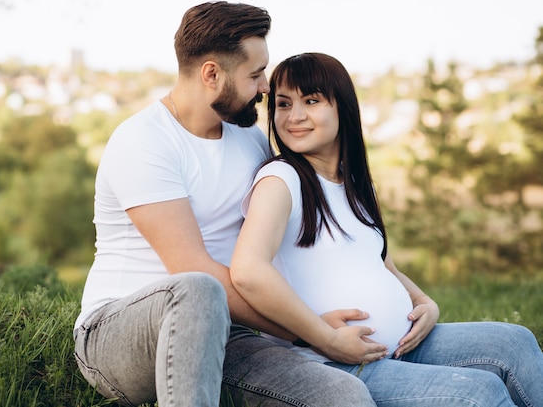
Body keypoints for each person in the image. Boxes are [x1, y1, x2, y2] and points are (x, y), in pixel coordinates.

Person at [73, 3, 377, 407]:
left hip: (228, 331)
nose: (267, 86)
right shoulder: (143, 142)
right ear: (212, 75)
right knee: (199, 288)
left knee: (344, 397)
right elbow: (193, 269)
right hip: (116, 336)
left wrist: (410, 296)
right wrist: (315, 335)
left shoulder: (248, 139)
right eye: (255, 74)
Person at [230, 52, 543, 407]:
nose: (294, 116)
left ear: (341, 107)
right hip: (334, 362)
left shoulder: (354, 184)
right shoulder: (281, 180)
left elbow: (380, 263)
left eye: (311, 100)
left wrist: (424, 301)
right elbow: (249, 271)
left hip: (400, 347)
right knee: (480, 392)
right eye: (283, 104)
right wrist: (326, 339)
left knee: (513, 342)